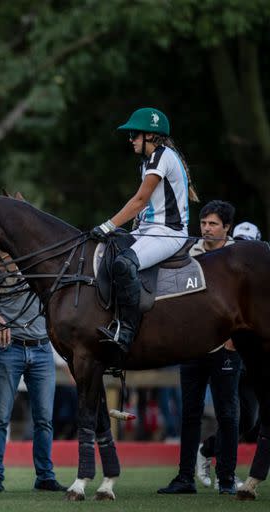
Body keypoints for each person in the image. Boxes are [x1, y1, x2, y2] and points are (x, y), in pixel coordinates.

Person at [91, 107, 199, 366]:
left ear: (151, 135)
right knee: (111, 252)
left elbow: (139, 201)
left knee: (124, 263)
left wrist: (108, 225)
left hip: (169, 234)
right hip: (150, 230)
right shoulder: (149, 161)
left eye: (134, 135)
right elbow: (148, 207)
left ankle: (126, 333)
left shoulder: (163, 157)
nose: (131, 140)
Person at [158, 200, 242, 495]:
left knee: (228, 414)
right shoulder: (186, 255)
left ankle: (227, 479)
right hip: (192, 347)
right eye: (204, 223)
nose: (206, 228)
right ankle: (184, 479)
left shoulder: (237, 259)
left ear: (226, 228)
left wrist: (235, 339)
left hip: (225, 348)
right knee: (189, 413)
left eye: (213, 224)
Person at [0, 282, 67, 493]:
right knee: (0, 417)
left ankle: (45, 477)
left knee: (44, 419)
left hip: (42, 348)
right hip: (9, 348)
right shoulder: (2, 274)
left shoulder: (45, 271)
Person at [194, 219, 261, 489]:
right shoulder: (228, 270)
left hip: (254, 358)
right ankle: (227, 473)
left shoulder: (261, 273)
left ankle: (207, 449)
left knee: (249, 419)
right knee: (231, 415)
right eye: (240, 243)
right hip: (231, 353)